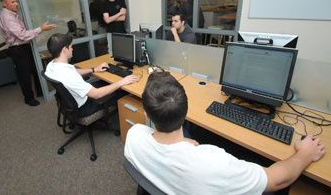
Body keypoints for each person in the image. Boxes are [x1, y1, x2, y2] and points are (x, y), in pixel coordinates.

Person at [125, 72, 326, 195]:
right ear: (186, 111)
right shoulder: (214, 163)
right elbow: (277, 180)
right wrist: (305, 154)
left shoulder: (134, 136)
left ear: (146, 113)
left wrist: (186, 142)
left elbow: (156, 140)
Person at [45, 33, 139, 117]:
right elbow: (96, 94)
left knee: (103, 82)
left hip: (69, 103)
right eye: (71, 47)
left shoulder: (52, 65)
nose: (72, 49)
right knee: (122, 91)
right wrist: (122, 81)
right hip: (84, 107)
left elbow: (75, 71)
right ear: (65, 50)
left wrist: (94, 69)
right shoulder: (68, 75)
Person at [0, 0, 56, 107]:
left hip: (24, 46)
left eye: (16, 1)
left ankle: (40, 91)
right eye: (12, 2)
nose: (16, 4)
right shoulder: (7, 17)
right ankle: (28, 98)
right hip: (18, 49)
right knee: (24, 75)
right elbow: (22, 35)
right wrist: (41, 29)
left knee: (35, 70)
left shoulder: (12, 14)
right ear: (4, 3)